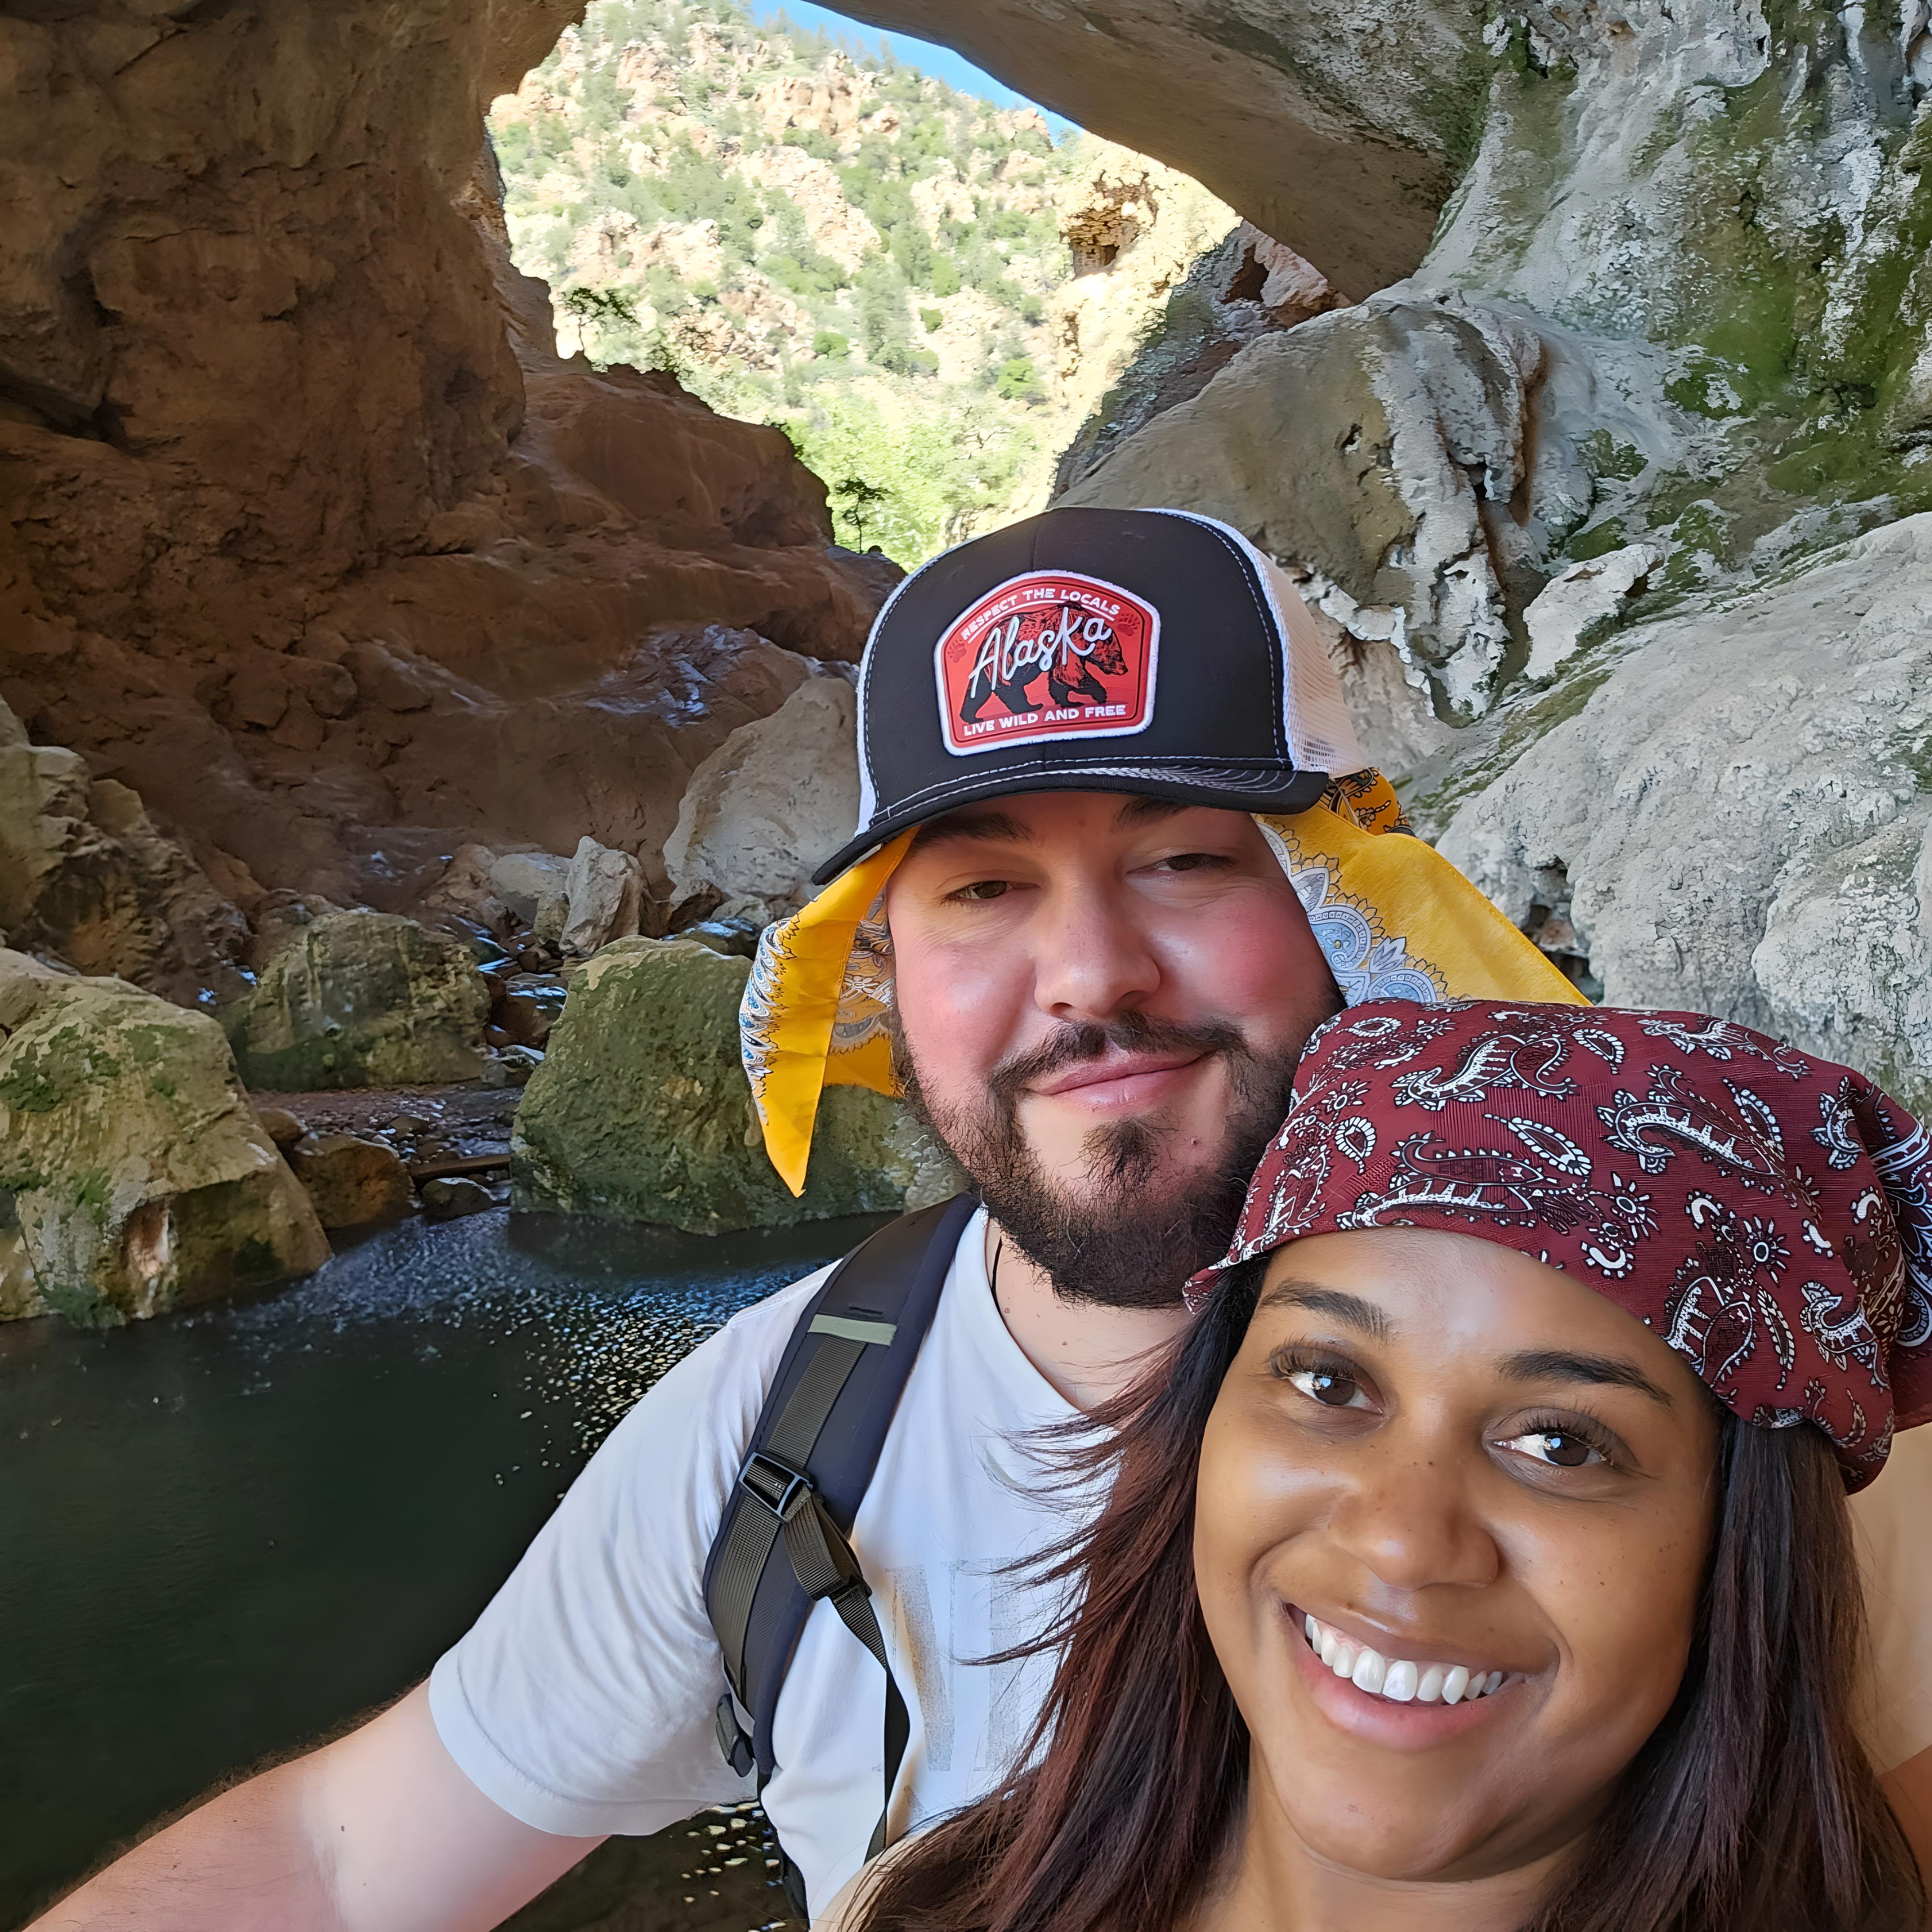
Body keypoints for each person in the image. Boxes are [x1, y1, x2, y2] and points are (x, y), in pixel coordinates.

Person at [31, 508, 1586, 1931]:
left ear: (1346, 906)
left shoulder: (1645, 1390)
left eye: (1184, 859)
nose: (1090, 974)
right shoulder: (785, 1431)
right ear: (884, 973)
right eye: (981, 892)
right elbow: (336, 1860)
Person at [834, 1000, 1932, 1932]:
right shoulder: (923, 1900)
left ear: (1737, 1544)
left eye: (1561, 1440)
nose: (1401, 1541)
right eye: (1325, 1380)